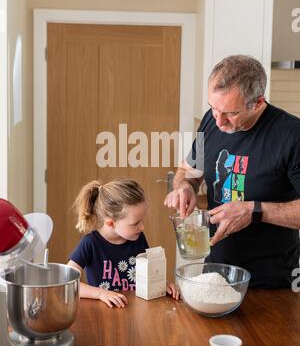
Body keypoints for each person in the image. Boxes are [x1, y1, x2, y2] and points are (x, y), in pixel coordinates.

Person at [164, 55, 300, 288]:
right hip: (216, 270)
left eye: (231, 113)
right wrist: (185, 186)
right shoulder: (210, 120)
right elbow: (188, 170)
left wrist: (254, 211)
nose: (219, 121)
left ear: (258, 102)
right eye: (213, 108)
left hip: (272, 280)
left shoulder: (291, 135)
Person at [68, 178, 179, 308]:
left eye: (141, 220)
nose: (142, 227)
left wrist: (161, 284)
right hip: (103, 313)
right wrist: (100, 294)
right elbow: (68, 283)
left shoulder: (138, 238)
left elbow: (148, 273)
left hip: (136, 311)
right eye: (135, 223)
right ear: (111, 223)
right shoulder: (90, 243)